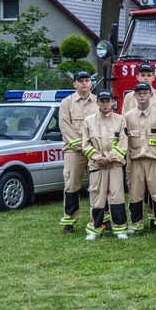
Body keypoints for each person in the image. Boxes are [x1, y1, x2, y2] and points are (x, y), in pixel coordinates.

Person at [81, 91, 128, 241]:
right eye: (102, 101)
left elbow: (123, 143)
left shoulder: (121, 120)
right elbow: (85, 145)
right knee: (97, 197)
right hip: (97, 166)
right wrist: (98, 158)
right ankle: (94, 228)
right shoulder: (89, 121)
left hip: (114, 165)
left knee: (117, 196)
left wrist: (109, 158)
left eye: (108, 101)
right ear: (98, 103)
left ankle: (119, 228)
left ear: (113, 102)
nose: (105, 104)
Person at [124, 82, 156, 235]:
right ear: (134, 96)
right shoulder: (127, 117)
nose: (142, 95)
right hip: (135, 161)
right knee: (135, 192)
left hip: (154, 160)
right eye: (139, 93)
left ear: (150, 94)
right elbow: (124, 139)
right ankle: (136, 224)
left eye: (145, 92)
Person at [58, 71, 97, 233]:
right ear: (74, 84)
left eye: (87, 80)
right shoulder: (67, 103)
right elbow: (65, 127)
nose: (84, 83)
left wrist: (94, 149)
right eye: (80, 81)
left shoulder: (98, 102)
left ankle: (99, 219)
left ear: (91, 83)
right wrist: (83, 147)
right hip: (74, 151)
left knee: (98, 187)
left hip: (95, 151)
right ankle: (69, 221)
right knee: (71, 185)